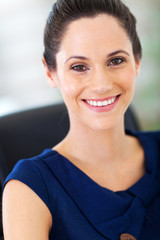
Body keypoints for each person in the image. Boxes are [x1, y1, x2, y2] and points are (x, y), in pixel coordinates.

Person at [2, 0, 160, 239]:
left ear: (137, 61)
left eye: (116, 61)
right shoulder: (29, 189)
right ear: (50, 72)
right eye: (78, 66)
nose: (101, 85)